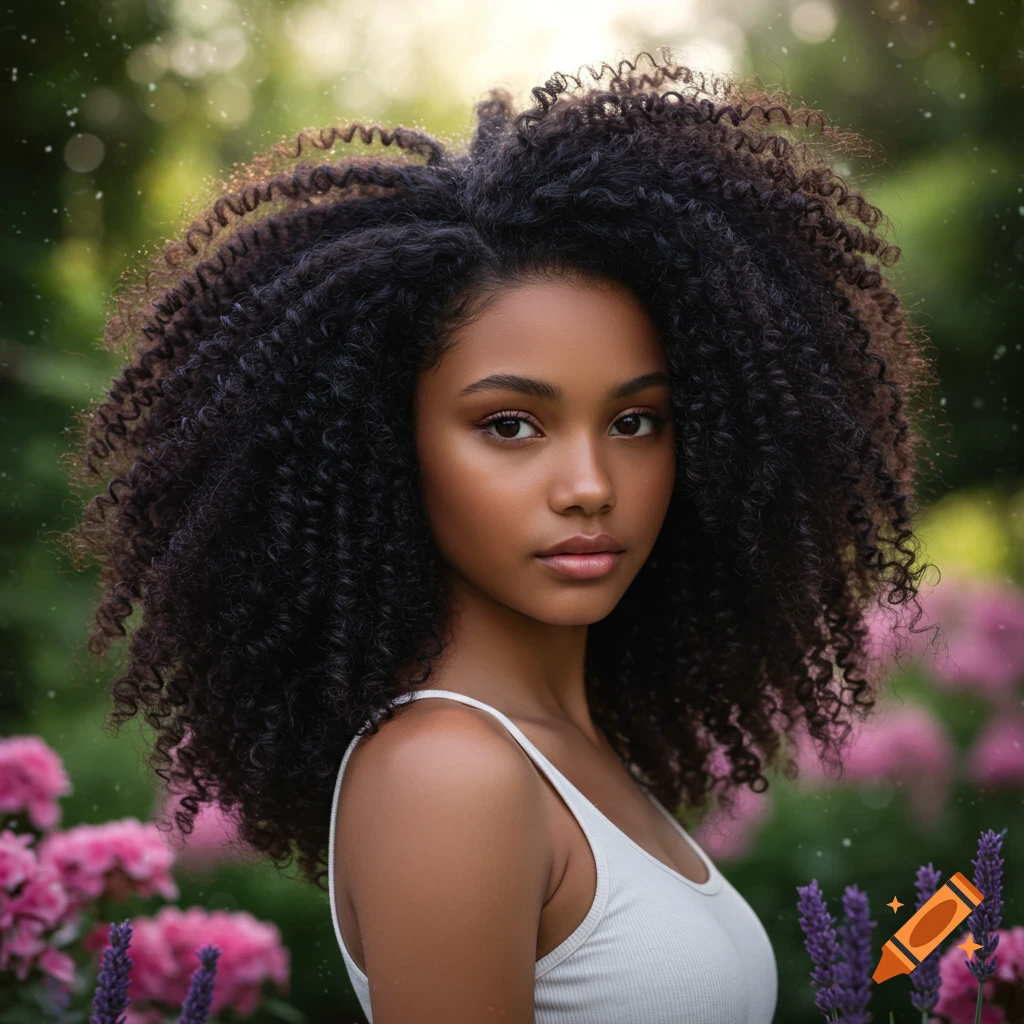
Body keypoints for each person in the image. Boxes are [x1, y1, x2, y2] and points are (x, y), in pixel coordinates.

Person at [59, 50, 938, 1024]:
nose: (590, 486)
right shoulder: (450, 773)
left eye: (635, 421)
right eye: (511, 425)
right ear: (384, 444)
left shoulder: (558, 747)